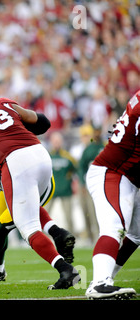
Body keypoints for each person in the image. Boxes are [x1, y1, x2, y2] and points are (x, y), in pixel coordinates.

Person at [0, 95, 80, 289]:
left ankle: (66, 270)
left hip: (15, 166)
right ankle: (56, 233)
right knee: (12, 216)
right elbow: (42, 123)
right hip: (41, 155)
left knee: (27, 227)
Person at [84, 90, 140, 300]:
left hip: (128, 176)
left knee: (137, 234)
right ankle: (99, 283)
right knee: (113, 226)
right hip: (113, 172)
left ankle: (105, 278)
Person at [46, 131, 78, 235]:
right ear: (51, 142)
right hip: (50, 192)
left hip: (65, 191)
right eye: (54, 141)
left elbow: (76, 170)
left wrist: (74, 183)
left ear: (61, 142)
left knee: (69, 217)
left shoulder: (68, 157)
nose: (56, 143)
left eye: (58, 141)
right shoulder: (47, 156)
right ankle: (41, 238)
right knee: (44, 216)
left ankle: (72, 237)